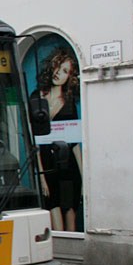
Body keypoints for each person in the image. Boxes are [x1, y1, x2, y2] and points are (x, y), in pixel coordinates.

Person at [31, 48, 83, 232]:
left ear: (70, 77)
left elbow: (74, 143)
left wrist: (84, 177)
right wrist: (41, 177)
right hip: (47, 166)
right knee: (53, 209)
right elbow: (34, 142)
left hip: (68, 166)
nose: (58, 73)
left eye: (65, 71)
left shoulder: (68, 102)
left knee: (69, 211)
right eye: (57, 67)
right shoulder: (37, 98)